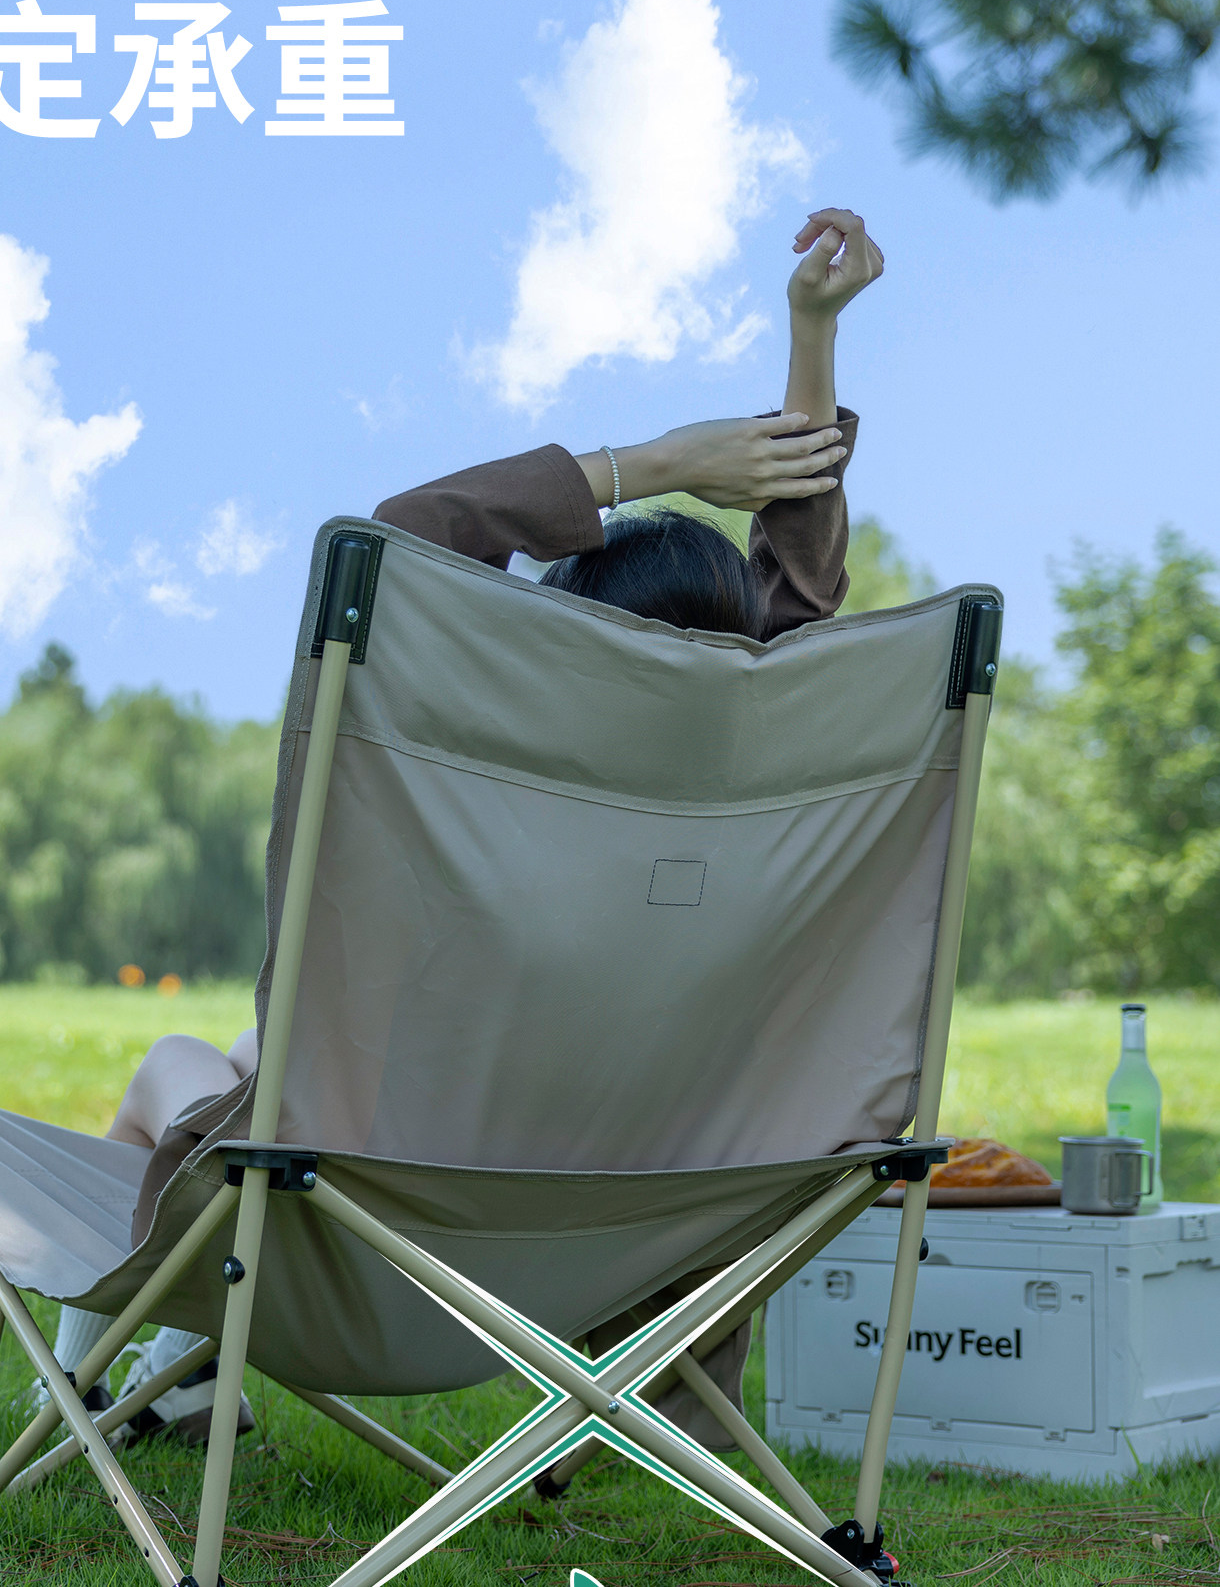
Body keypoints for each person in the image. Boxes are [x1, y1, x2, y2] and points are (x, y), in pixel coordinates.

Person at [46, 206, 884, 1447]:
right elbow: (800, 598)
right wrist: (813, 334)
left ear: (571, 645)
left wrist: (650, 462)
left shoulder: (502, 794)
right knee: (248, 1051)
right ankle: (184, 1380)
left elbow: (400, 537)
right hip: (614, 1257)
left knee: (186, 1063)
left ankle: (86, 1392)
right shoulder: (761, 810)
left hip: (375, 1247)